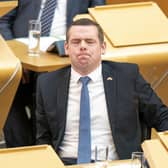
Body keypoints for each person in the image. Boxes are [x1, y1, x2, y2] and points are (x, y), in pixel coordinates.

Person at [36, 18, 168, 165]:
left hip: (115, 163)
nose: (83, 46)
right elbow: (43, 138)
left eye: (90, 42)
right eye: (76, 42)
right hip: (65, 163)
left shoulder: (127, 76)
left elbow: (162, 117)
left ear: (103, 47)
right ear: (66, 48)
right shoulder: (47, 83)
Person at [0, 0, 105, 147]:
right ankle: (23, 152)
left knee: (45, 82)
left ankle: (43, 149)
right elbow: (3, 19)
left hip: (63, 56)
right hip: (22, 54)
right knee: (5, 88)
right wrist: (13, 54)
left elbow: (98, 20)